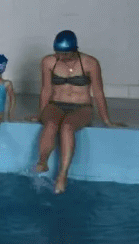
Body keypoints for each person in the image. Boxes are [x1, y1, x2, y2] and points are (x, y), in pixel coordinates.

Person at [33, 30, 125, 193]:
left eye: (65, 54)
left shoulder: (90, 63)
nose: (60, 57)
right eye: (58, 53)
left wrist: (107, 120)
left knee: (67, 127)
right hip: (55, 104)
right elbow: (46, 90)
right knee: (51, 124)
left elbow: (98, 93)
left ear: (74, 50)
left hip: (82, 107)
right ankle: (42, 162)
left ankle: (62, 175)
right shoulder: (48, 61)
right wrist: (41, 115)